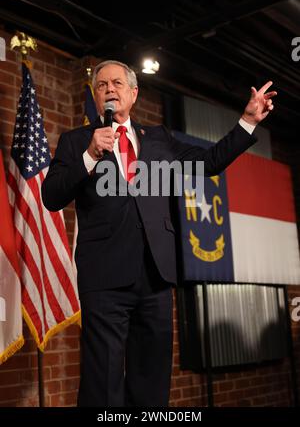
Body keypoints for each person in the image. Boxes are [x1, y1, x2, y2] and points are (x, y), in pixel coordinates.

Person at [41, 60, 276, 407]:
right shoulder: (77, 141)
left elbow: (209, 163)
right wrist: (91, 155)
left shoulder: (160, 139)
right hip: (105, 278)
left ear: (133, 93)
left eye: (117, 83)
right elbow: (52, 196)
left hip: (155, 277)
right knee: (102, 383)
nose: (109, 89)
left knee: (151, 381)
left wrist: (249, 122)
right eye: (101, 84)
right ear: (94, 94)